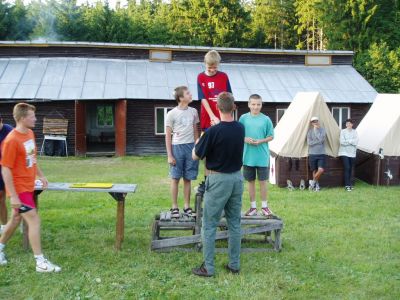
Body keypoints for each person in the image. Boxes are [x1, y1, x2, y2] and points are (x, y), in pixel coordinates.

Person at [0, 103, 61, 272]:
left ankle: (0, 248)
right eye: (32, 116)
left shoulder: (30, 133)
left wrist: (40, 175)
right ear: (22, 118)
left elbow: (32, 157)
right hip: (19, 189)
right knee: (34, 220)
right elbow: (5, 169)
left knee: (15, 219)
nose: (35, 119)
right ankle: (40, 262)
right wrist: (13, 196)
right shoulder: (11, 140)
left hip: (29, 185)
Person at [192, 92, 244, 277]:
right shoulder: (241, 128)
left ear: (217, 108)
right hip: (237, 178)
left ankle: (208, 267)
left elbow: (195, 156)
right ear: (234, 107)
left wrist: (200, 139)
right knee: (234, 224)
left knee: (209, 224)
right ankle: (234, 265)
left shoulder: (212, 132)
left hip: (218, 180)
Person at [197, 50, 232, 193]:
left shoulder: (224, 76)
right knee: (207, 151)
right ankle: (207, 181)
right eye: (209, 67)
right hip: (208, 118)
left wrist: (224, 117)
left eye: (215, 67)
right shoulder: (200, 77)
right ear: (205, 64)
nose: (212, 70)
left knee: (222, 149)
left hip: (222, 118)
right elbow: (203, 99)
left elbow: (229, 97)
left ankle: (221, 180)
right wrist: (212, 116)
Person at [165, 86, 200, 218]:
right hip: (177, 147)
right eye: (187, 93)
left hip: (191, 147)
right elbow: (168, 135)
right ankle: (174, 207)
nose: (190, 95)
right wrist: (170, 155)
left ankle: (186, 206)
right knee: (175, 178)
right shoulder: (171, 114)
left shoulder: (193, 111)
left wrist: (197, 146)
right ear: (180, 98)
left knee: (188, 178)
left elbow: (195, 130)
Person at [239, 94, 275, 217]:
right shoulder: (243, 118)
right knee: (250, 182)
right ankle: (253, 207)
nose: (256, 107)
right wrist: (245, 139)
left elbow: (271, 136)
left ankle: (264, 206)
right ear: (249, 104)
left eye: (258, 104)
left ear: (261, 105)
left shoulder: (266, 119)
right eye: (253, 104)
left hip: (262, 157)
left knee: (263, 182)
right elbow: (238, 135)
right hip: (247, 156)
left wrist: (260, 141)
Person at [0, 115, 13, 234]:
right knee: (0, 197)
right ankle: (4, 225)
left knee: (14, 196)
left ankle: (17, 221)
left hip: (10, 168)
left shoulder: (9, 130)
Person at [338, 119, 358, 191]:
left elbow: (356, 142)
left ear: (352, 124)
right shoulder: (343, 131)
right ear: (346, 125)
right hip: (344, 152)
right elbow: (342, 142)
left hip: (352, 153)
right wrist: (351, 141)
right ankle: (347, 185)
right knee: (347, 167)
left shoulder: (355, 132)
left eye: (350, 123)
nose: (348, 125)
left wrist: (348, 141)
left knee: (350, 169)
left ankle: (350, 184)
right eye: (347, 123)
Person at [307, 116, 326, 192]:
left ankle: (312, 183)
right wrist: (318, 142)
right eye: (313, 122)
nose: (315, 123)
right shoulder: (309, 131)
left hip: (321, 153)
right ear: (311, 123)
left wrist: (316, 130)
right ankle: (316, 186)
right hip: (312, 153)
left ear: (318, 121)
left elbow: (322, 139)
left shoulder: (323, 130)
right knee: (314, 170)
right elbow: (309, 143)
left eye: (316, 121)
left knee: (320, 170)